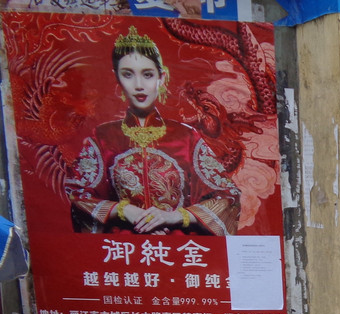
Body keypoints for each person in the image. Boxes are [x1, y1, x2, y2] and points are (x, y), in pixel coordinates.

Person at [64, 26, 241, 236]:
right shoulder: (103, 138)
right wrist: (122, 211)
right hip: (124, 252)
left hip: (178, 250)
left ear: (161, 77)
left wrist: (176, 217)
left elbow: (227, 196)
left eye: (147, 74)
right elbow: (77, 195)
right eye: (128, 75)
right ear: (117, 79)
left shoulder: (186, 137)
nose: (139, 85)